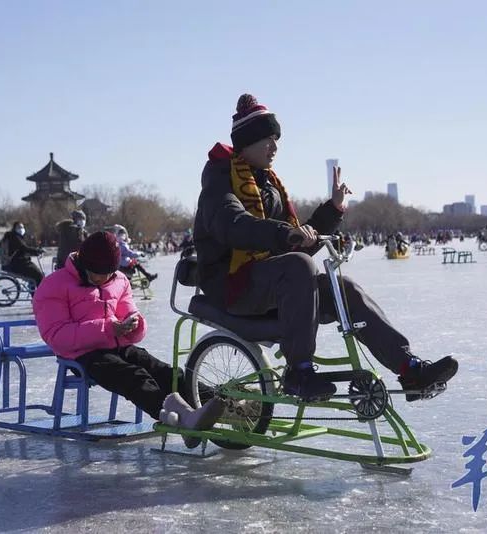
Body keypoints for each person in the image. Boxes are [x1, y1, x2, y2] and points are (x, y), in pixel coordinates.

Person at [193, 93, 458, 401]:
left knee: (343, 288)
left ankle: (408, 367)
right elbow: (233, 224)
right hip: (232, 286)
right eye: (268, 139)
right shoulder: (220, 181)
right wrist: (285, 235)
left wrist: (332, 210)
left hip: (269, 283)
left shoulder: (268, 186)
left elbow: (299, 240)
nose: (275, 147)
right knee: (298, 265)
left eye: (277, 140)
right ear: (246, 143)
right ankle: (299, 370)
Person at [33, 231, 225, 442]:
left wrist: (134, 324)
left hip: (117, 344)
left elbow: (129, 313)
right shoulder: (54, 285)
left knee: (165, 371)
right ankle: (182, 417)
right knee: (133, 376)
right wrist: (107, 329)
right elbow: (56, 335)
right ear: (84, 263)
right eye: (98, 273)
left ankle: (221, 404)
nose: (104, 278)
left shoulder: (119, 280)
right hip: (82, 355)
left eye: (109, 273)